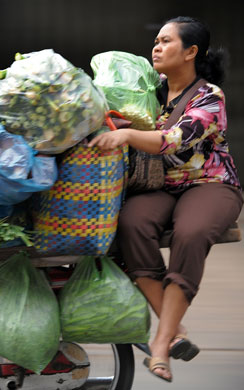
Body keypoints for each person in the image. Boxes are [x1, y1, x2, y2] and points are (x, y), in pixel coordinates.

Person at [88, 16, 243, 383]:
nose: (156, 47)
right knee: (129, 224)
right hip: (159, 186)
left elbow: (172, 140)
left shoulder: (209, 96)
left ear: (191, 52)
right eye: (155, 41)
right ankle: (175, 331)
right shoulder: (148, 89)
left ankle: (161, 343)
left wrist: (127, 136)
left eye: (166, 41)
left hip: (210, 185)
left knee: (191, 232)